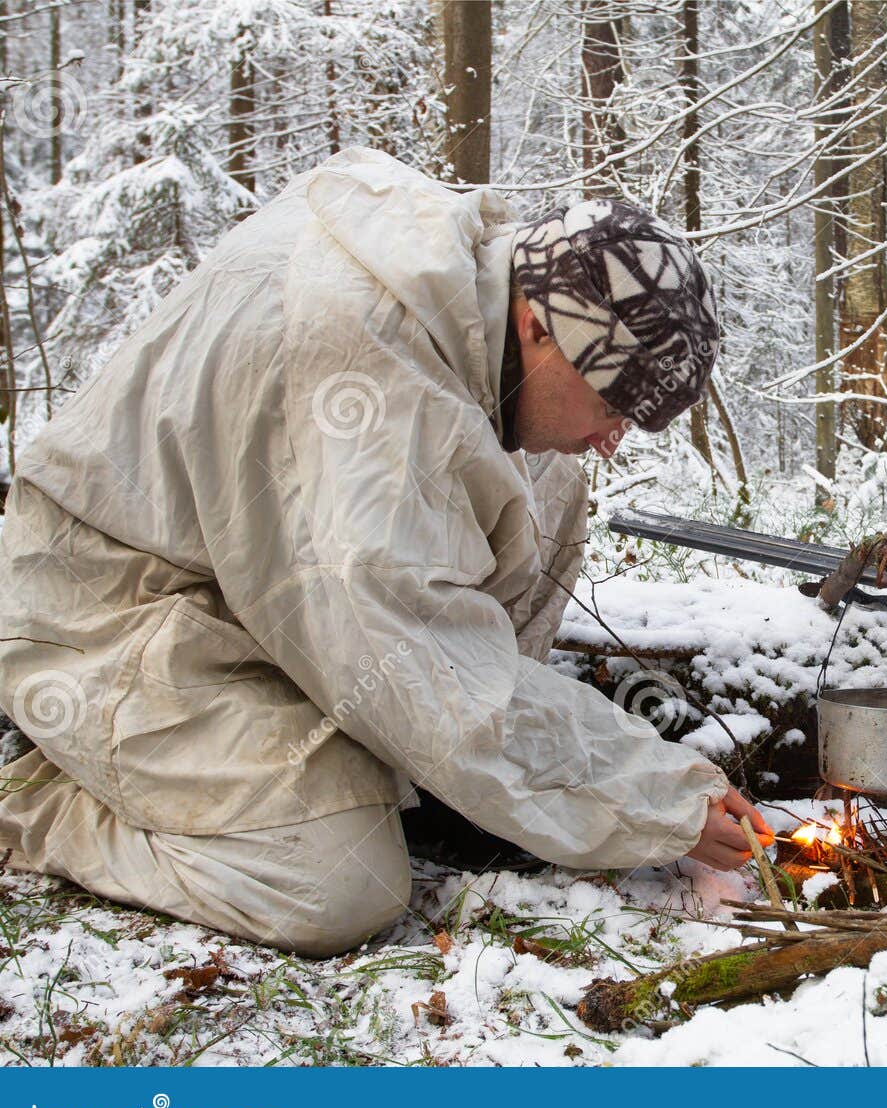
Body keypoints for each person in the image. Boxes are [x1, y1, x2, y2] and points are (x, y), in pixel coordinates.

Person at [0, 148, 773, 957]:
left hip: (250, 571)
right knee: (338, 883)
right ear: (538, 325)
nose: (615, 440)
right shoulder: (364, 376)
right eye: (615, 404)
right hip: (113, 603)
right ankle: (41, 801)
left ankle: (446, 784)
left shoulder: (476, 279)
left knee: (551, 480)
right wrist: (659, 801)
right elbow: (421, 656)